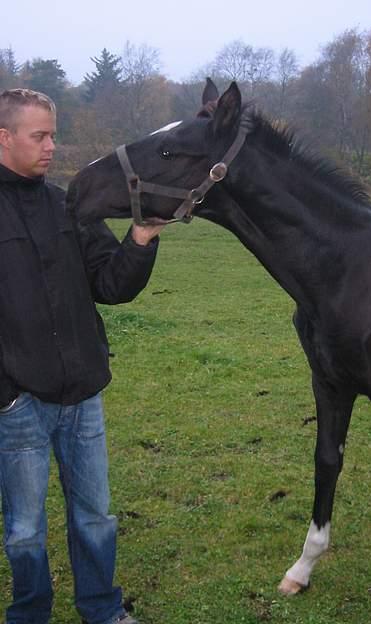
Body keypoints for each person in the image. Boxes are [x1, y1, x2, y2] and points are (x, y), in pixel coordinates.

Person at [0, 88, 164, 624]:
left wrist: (140, 240)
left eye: (54, 134)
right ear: (5, 138)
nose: (52, 146)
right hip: (18, 405)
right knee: (24, 528)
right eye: (40, 136)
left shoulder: (68, 205)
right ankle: (30, 614)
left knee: (95, 517)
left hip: (83, 395)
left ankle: (101, 607)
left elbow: (111, 284)